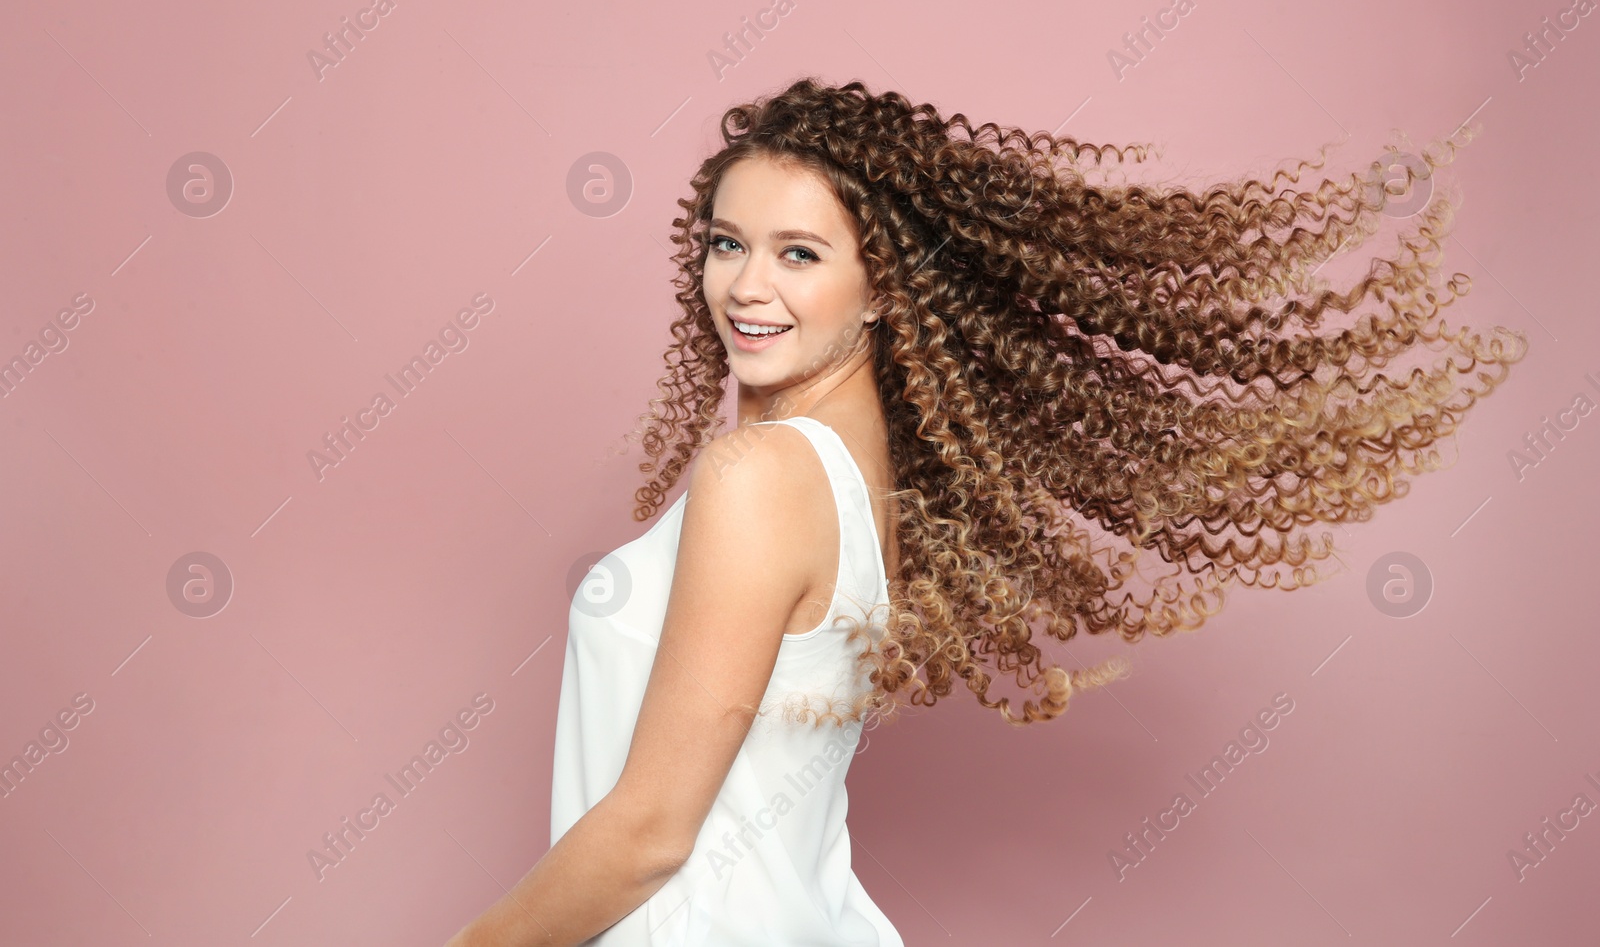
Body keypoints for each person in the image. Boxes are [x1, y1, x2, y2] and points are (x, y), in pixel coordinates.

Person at [444, 78, 1528, 945]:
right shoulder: (862, 476)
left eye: (799, 253)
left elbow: (647, 832)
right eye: (726, 243)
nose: (744, 286)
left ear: (880, 286)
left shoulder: (760, 476)